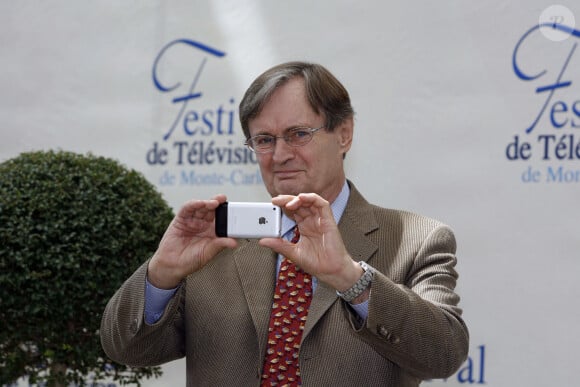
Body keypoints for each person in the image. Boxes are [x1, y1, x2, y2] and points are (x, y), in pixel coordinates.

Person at [100, 61, 469, 386]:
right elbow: (127, 348)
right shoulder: (216, 244)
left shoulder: (416, 240)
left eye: (298, 134)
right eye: (264, 140)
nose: (279, 155)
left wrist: (352, 280)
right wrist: (161, 276)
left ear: (344, 134)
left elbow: (443, 354)